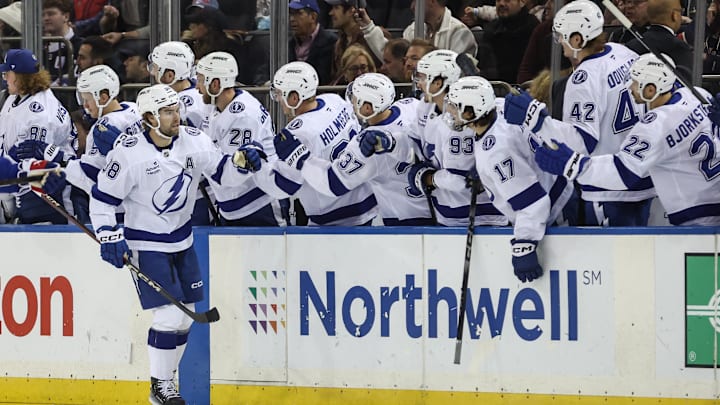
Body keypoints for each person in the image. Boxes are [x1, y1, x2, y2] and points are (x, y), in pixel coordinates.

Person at [89, 84, 264, 405]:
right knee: (170, 317)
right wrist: (108, 234)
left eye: (176, 110)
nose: (176, 117)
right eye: (167, 112)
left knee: (186, 316)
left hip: (182, 240)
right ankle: (161, 385)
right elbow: (101, 200)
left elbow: (224, 174)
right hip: (146, 244)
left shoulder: (194, 140)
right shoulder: (128, 152)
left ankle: (163, 387)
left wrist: (242, 162)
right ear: (148, 117)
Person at [504, 0, 651, 227]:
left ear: (577, 39)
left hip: (608, 188)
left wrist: (536, 119)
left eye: (562, 36)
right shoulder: (624, 52)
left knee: (609, 260)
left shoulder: (583, 79)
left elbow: (583, 141)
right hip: (643, 175)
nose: (560, 42)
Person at [535, 53, 720, 226]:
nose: (630, 87)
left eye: (636, 82)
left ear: (651, 89)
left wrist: (573, 164)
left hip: (696, 217)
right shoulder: (699, 96)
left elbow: (623, 172)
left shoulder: (655, 125)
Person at [443, 75, 574, 281]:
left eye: (453, 106)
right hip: (560, 186)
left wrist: (524, 244)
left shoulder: (496, 154)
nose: (449, 110)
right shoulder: (502, 108)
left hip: (555, 211)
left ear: (470, 112)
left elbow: (533, 204)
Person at [278, 72, 434, 225]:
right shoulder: (410, 105)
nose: (351, 101)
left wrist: (302, 159)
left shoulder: (369, 144)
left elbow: (333, 183)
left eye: (356, 98)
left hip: (405, 220)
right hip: (435, 207)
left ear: (367, 108)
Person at [270, 61, 379, 226]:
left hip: (333, 216)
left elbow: (284, 185)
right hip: (367, 198)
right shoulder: (333, 100)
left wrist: (256, 168)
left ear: (294, 97)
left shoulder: (298, 132)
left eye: (279, 93)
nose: (277, 99)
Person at [407, 50, 506, 227]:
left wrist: (427, 178)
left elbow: (459, 181)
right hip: (446, 210)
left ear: (437, 83)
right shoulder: (426, 107)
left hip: (476, 214)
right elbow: (413, 137)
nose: (418, 83)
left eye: (422, 78)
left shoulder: (459, 124)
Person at [195, 51, 287, 226]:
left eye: (200, 80)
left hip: (259, 204)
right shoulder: (216, 107)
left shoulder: (243, 116)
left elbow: (232, 173)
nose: (197, 88)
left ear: (215, 84)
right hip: (232, 206)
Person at [0, 48, 76, 224]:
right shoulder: (16, 97)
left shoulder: (40, 114)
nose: (4, 78)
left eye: (7, 74)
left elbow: (36, 166)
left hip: (48, 193)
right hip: (19, 180)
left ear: (20, 76)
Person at [356, 0, 477, 60]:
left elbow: (456, 73)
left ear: (432, 1)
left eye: (416, 1)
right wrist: (368, 27)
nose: (412, 7)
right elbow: (395, 60)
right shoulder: (413, 30)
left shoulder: (460, 33)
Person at [625, 0, 692, 83]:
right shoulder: (679, 47)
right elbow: (687, 85)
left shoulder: (631, 46)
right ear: (674, 15)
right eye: (680, 12)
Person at [148, 41, 208, 129]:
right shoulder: (198, 84)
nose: (153, 73)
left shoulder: (178, 108)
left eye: (155, 68)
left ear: (169, 75)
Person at [288, 0, 338, 85]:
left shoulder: (331, 42)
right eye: (291, 14)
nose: (292, 19)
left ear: (313, 17)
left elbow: (324, 77)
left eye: (299, 13)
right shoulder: (288, 44)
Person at [42, 0, 82, 86]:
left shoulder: (80, 46)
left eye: (51, 14)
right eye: (43, 15)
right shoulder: (40, 47)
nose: (46, 18)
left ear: (66, 17)